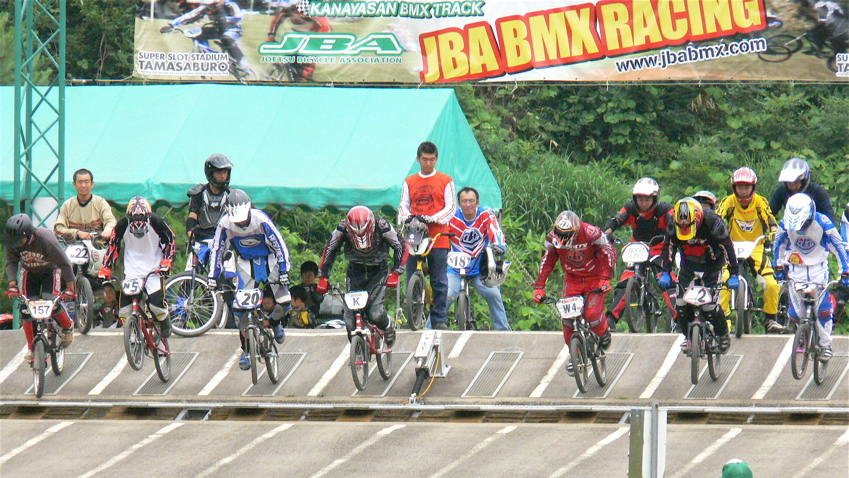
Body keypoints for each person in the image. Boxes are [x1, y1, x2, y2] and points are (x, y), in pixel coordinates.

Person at [207, 189, 291, 370]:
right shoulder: (225, 224)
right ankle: (246, 349)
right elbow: (217, 249)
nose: (241, 224)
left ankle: (275, 323)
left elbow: (279, 244)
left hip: (270, 261)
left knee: (285, 301)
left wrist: (284, 270)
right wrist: (213, 275)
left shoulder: (260, 219)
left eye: (243, 220)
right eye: (237, 221)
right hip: (246, 264)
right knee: (239, 310)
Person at [532, 211, 616, 374]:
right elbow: (547, 261)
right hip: (572, 280)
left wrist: (606, 277)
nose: (563, 238)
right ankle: (575, 355)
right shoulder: (551, 238)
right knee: (567, 318)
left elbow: (609, 252)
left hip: (595, 278)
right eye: (560, 233)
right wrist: (539, 287)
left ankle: (604, 333)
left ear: (576, 230)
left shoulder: (591, 232)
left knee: (592, 315)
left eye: (567, 234)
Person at [773, 194, 849, 362]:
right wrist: (778, 265)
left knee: (822, 310)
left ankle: (825, 344)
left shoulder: (824, 223)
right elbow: (778, 244)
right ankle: (802, 332)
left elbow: (838, 246)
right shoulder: (785, 224)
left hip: (818, 270)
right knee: (795, 313)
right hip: (796, 269)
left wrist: (845, 271)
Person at [659, 198, 737, 354]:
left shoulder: (713, 222)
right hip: (688, 265)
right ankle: (688, 336)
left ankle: (723, 335)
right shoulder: (673, 223)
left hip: (712, 266)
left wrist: (734, 273)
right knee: (680, 304)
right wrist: (666, 272)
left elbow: (728, 247)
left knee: (709, 306)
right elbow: (669, 247)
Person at [318, 205, 405, 345]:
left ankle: (388, 326)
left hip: (378, 270)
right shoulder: (342, 228)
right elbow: (330, 249)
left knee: (374, 312)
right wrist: (323, 277)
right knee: (349, 317)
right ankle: (357, 348)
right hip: (355, 271)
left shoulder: (382, 225)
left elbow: (400, 245)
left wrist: (396, 272)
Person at [715, 167, 782, 332]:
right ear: (734, 187)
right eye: (739, 187)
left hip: (755, 247)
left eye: (747, 187)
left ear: (753, 187)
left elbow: (769, 217)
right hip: (731, 248)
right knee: (722, 279)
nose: (743, 191)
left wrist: (773, 230)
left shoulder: (759, 201)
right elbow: (717, 217)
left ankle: (770, 319)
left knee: (771, 284)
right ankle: (724, 322)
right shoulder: (728, 201)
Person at [398, 141, 456, 330]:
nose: (428, 163)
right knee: (411, 276)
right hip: (414, 235)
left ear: (436, 159)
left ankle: (439, 318)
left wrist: (434, 218)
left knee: (439, 279)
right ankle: (412, 316)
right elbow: (403, 206)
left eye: (432, 160)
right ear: (418, 159)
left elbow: (451, 207)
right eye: (425, 159)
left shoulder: (445, 181)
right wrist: (408, 218)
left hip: (438, 236)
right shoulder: (410, 181)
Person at [98, 197, 175, 339]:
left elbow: (170, 239)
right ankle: (133, 332)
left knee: (157, 308)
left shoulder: (156, 221)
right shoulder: (122, 224)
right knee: (125, 312)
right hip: (132, 271)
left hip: (154, 269)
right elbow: (113, 244)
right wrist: (106, 267)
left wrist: (167, 261)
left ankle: (165, 322)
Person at [604, 178, 676, 327]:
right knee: (625, 282)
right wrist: (607, 234)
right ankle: (611, 319)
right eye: (640, 199)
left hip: (659, 248)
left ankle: (681, 317)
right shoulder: (630, 209)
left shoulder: (664, 209)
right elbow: (616, 220)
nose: (643, 203)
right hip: (637, 247)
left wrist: (674, 235)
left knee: (666, 281)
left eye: (647, 200)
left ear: (655, 198)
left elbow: (675, 224)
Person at [4, 214, 76, 355]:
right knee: (27, 308)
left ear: (29, 235)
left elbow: (64, 263)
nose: (17, 245)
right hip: (29, 272)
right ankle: (32, 348)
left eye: (20, 241)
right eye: (14, 242)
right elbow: (11, 262)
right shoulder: (13, 243)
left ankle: (67, 326)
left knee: (51, 302)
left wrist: (70, 288)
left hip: (50, 270)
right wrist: (12, 284)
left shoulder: (45, 239)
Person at [447, 187, 510, 331]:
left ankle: (504, 332)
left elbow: (495, 230)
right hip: (456, 266)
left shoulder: (485, 214)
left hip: (479, 265)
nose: (468, 204)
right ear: (459, 203)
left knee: (493, 294)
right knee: (447, 295)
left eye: (471, 201)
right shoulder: (452, 217)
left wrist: (500, 245)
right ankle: (429, 329)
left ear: (477, 202)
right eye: (464, 201)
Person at [159, 0, 254, 75]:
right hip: (217, 29)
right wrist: (172, 25)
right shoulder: (205, 8)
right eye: (208, 6)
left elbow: (238, 16)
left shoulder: (229, 4)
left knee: (226, 38)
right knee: (196, 32)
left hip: (233, 29)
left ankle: (242, 63)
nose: (209, 8)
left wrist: (226, 19)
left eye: (212, 6)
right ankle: (206, 55)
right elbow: (190, 16)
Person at [54, 168, 117, 244]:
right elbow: (58, 228)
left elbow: (111, 221)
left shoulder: (101, 203)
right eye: (80, 182)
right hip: (73, 247)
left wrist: (107, 231)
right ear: (74, 184)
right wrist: (77, 233)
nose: (83, 185)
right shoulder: (67, 205)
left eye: (86, 182)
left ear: (92, 184)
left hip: (98, 246)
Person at [769, 157, 836, 224]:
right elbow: (770, 212)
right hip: (791, 229)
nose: (793, 186)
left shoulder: (817, 191)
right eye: (789, 183)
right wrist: (772, 226)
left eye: (796, 182)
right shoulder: (782, 191)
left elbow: (829, 216)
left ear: (804, 181)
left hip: (816, 229)